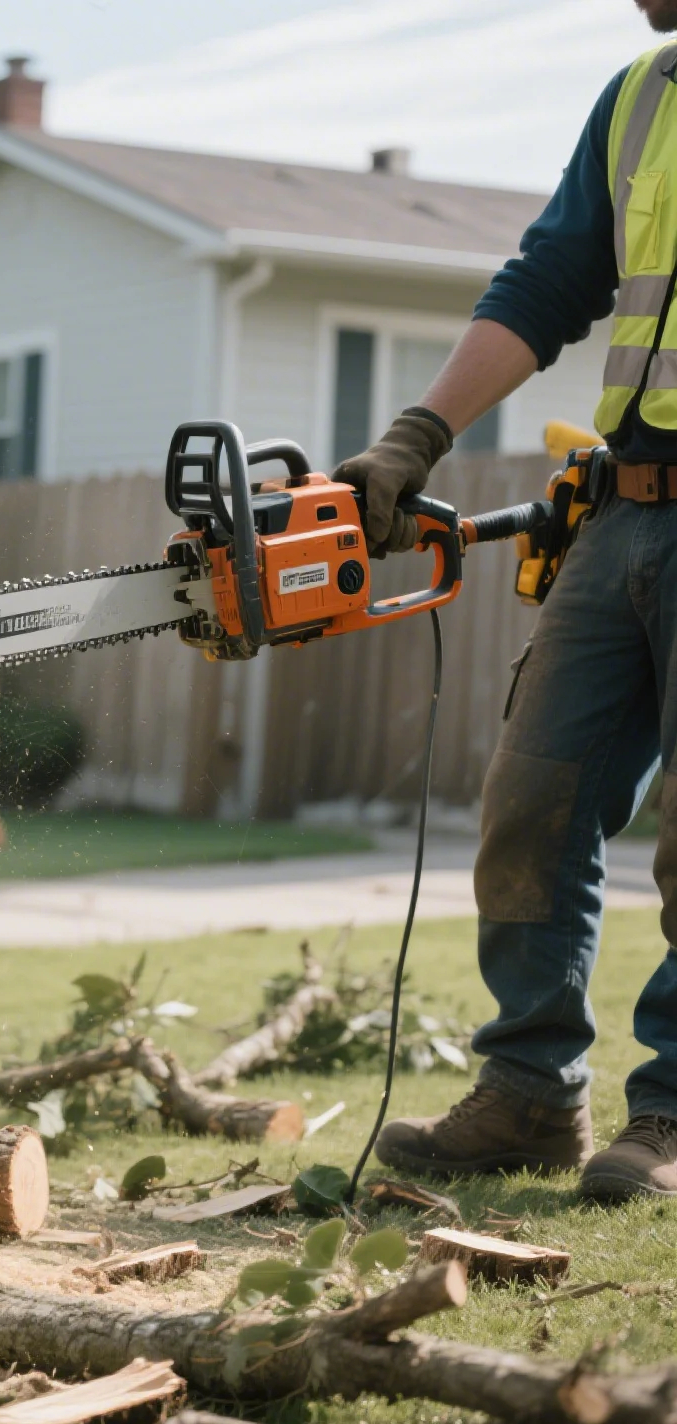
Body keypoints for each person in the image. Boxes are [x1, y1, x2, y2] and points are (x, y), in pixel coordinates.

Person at [337, 0, 677, 1201]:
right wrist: (412, 437)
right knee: (531, 798)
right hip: (628, 502)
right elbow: (549, 280)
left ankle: (671, 1112)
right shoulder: (641, 94)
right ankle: (530, 1091)